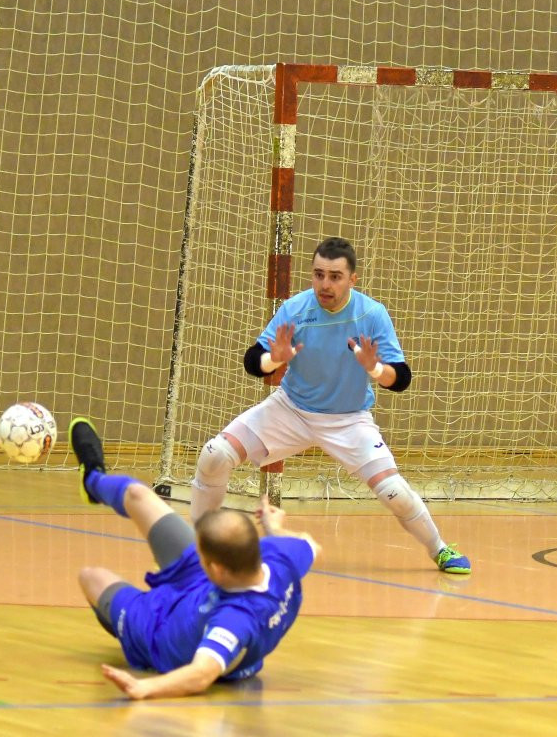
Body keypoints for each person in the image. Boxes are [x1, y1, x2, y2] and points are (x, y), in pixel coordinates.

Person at [189, 236, 471, 574]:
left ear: (352, 279)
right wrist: (273, 360)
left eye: (335, 276)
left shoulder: (372, 314)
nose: (325, 284)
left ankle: (440, 549)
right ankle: (198, 546)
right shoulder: (295, 309)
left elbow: (401, 379)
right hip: (290, 410)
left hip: (348, 420)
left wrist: (375, 369)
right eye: (319, 274)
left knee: (393, 491)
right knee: (215, 455)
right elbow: (253, 361)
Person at [68, 417, 319, 700]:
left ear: (216, 568)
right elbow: (311, 545)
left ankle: (124, 630)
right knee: (137, 494)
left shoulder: (234, 620)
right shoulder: (280, 557)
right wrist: (275, 529)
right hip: (200, 585)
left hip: (158, 630)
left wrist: (144, 687)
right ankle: (92, 480)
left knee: (90, 576)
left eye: (201, 552)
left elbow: (201, 675)